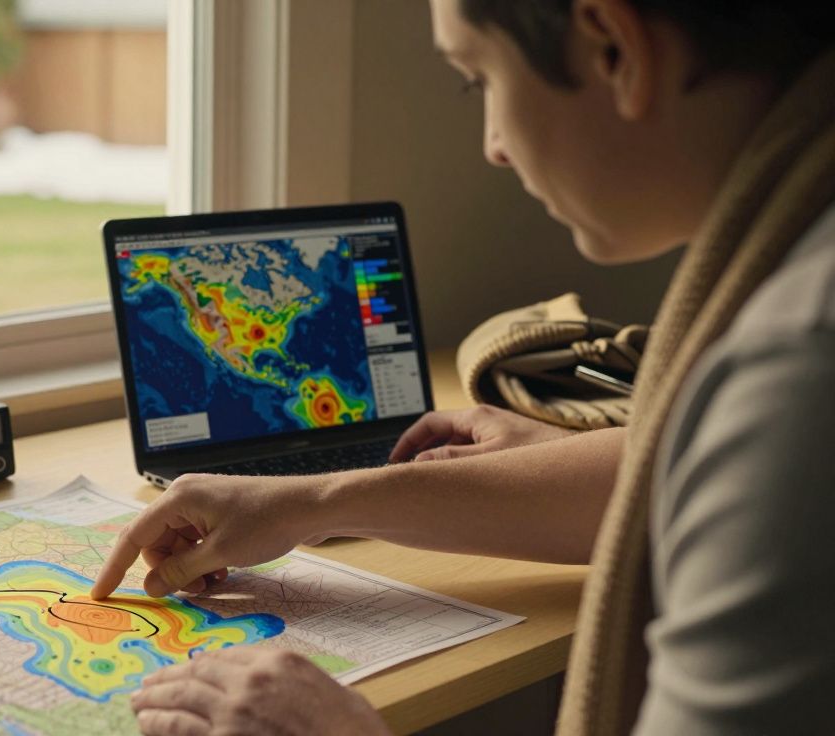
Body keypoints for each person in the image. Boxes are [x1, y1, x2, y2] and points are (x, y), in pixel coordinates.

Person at [91, 0, 835, 733]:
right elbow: (653, 473)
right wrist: (314, 498)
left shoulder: (794, 370)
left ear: (615, 48)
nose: (494, 147)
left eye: (476, 79)